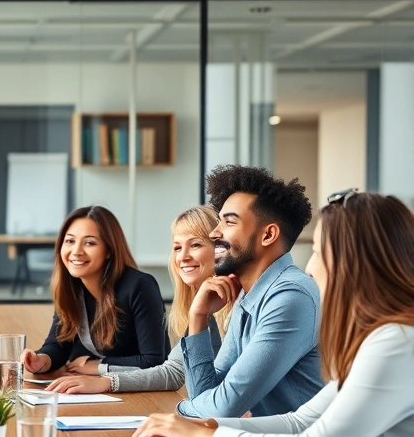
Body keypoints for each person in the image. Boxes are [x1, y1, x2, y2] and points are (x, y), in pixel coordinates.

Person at [133, 191, 414, 437]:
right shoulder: (376, 338)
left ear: (353, 262)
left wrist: (209, 435)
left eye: (319, 251)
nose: (311, 267)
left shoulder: (396, 344)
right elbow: (301, 422)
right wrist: (205, 427)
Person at [173, 166, 323, 420]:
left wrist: (180, 410)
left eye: (229, 222)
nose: (214, 233)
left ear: (268, 235)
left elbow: (223, 407)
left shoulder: (291, 297)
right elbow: (210, 393)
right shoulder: (248, 296)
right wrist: (198, 316)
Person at [47, 205, 231, 394]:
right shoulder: (204, 307)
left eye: (195, 245)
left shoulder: (235, 309)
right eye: (177, 247)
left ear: (221, 249)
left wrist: (103, 373)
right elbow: (174, 373)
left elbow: (229, 395)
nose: (182, 257)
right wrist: (107, 382)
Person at [22, 206, 168, 378]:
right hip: (98, 389)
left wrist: (99, 366)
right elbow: (59, 344)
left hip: (146, 395)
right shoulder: (72, 287)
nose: (76, 251)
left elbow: (155, 362)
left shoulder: (140, 285)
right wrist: (41, 360)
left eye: (89, 243)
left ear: (109, 250)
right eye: (70, 241)